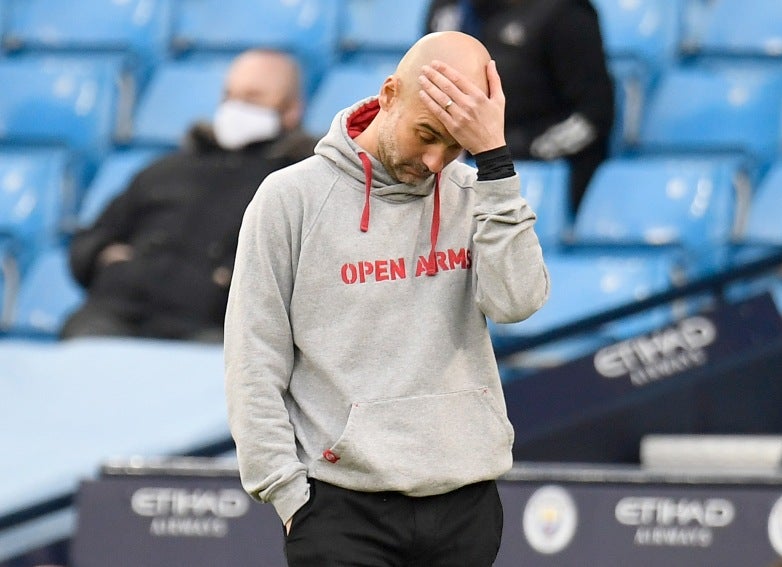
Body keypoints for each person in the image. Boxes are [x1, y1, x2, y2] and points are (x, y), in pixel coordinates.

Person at [224, 31, 550, 565]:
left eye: (455, 145)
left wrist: (494, 163)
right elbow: (253, 362)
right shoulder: (290, 199)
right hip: (339, 510)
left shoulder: (478, 196)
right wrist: (286, 495)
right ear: (389, 93)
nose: (434, 160)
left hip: (464, 505)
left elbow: (517, 302)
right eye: (427, 133)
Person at [61, 49, 318, 342]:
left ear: (292, 110)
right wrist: (105, 258)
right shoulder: (168, 168)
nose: (235, 107)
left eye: (253, 97)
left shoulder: (301, 183)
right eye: (229, 95)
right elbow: (88, 242)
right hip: (115, 316)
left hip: (213, 331)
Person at [425, 0, 615, 216]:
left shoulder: (566, 13)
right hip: (449, 168)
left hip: (529, 171)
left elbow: (593, 117)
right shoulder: (446, 9)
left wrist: (511, 151)